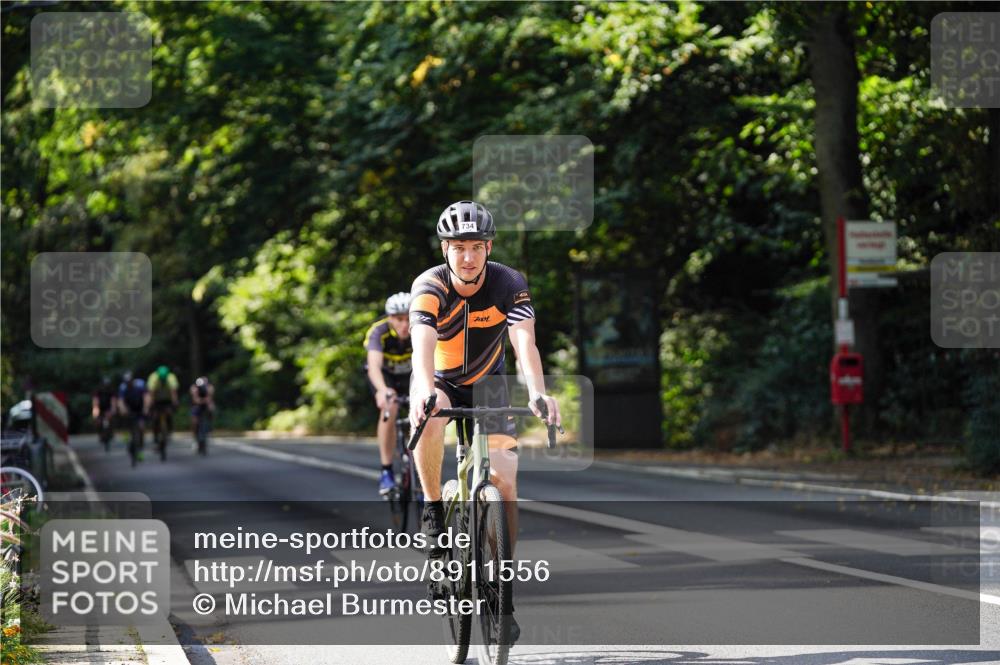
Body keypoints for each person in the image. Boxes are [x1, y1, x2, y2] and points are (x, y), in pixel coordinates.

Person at [409, 200, 561, 550]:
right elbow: (422, 343)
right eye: (459, 248)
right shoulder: (429, 285)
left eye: (477, 247)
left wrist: (538, 392)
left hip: (489, 386)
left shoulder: (507, 282)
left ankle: (500, 568)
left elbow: (525, 341)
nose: (468, 258)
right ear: (445, 248)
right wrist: (423, 392)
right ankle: (433, 509)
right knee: (429, 416)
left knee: (505, 483)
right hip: (440, 381)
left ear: (488, 248)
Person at [364, 292, 413, 495]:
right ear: (390, 318)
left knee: (424, 412)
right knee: (390, 404)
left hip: (411, 377)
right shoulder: (379, 332)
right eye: (399, 319)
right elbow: (374, 366)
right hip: (386, 378)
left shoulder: (422, 328)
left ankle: (417, 471)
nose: (404, 324)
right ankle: (386, 471)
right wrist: (382, 390)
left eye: (409, 318)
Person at [145, 365, 179, 441]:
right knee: (155, 417)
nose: (163, 380)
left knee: (169, 413)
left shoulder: (171, 378)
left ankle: (169, 430)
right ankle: (155, 433)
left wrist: (175, 403)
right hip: (156, 399)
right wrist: (150, 405)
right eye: (161, 379)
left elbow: (173, 393)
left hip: (167, 399)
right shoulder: (153, 378)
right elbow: (151, 393)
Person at [118, 371, 147, 459]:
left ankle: (140, 448)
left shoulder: (140, 385)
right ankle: (127, 436)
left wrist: (146, 408)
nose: (128, 384)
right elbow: (120, 400)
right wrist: (123, 409)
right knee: (127, 422)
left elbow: (146, 397)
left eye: (130, 381)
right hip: (129, 409)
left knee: (141, 428)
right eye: (127, 382)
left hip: (139, 408)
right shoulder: (123, 388)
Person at [92, 375, 118, 443]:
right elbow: (95, 401)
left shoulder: (112, 390)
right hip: (100, 407)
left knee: (112, 417)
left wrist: (112, 410)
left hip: (108, 408)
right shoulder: (98, 390)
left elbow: (114, 401)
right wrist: (96, 411)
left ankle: (111, 432)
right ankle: (100, 433)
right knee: (97, 420)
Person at [189, 376, 215, 441]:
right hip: (196, 405)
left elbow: (209, 398)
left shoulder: (210, 388)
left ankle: (210, 425)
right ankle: (194, 436)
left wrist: (204, 401)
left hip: (205, 405)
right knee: (194, 421)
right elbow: (195, 400)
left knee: (211, 408)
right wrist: (203, 400)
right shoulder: (194, 388)